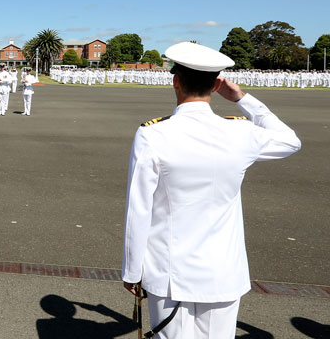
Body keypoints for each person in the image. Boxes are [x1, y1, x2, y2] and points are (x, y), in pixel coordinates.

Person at [121, 42, 301, 339]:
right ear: (217, 85)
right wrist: (242, 98)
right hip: (223, 271)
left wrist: (132, 271)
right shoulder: (240, 131)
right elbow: (290, 141)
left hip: (169, 271)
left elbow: (139, 208)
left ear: (175, 81)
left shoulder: (153, 134)